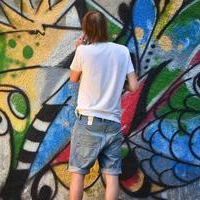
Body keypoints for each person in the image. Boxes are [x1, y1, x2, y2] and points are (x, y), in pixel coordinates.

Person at [68, 11, 139, 200]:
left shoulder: (83, 51)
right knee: (112, 176)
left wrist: (78, 50)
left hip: (88, 123)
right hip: (113, 123)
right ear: (105, 28)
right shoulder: (122, 51)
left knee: (78, 175)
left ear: (86, 30)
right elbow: (133, 86)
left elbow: (73, 78)